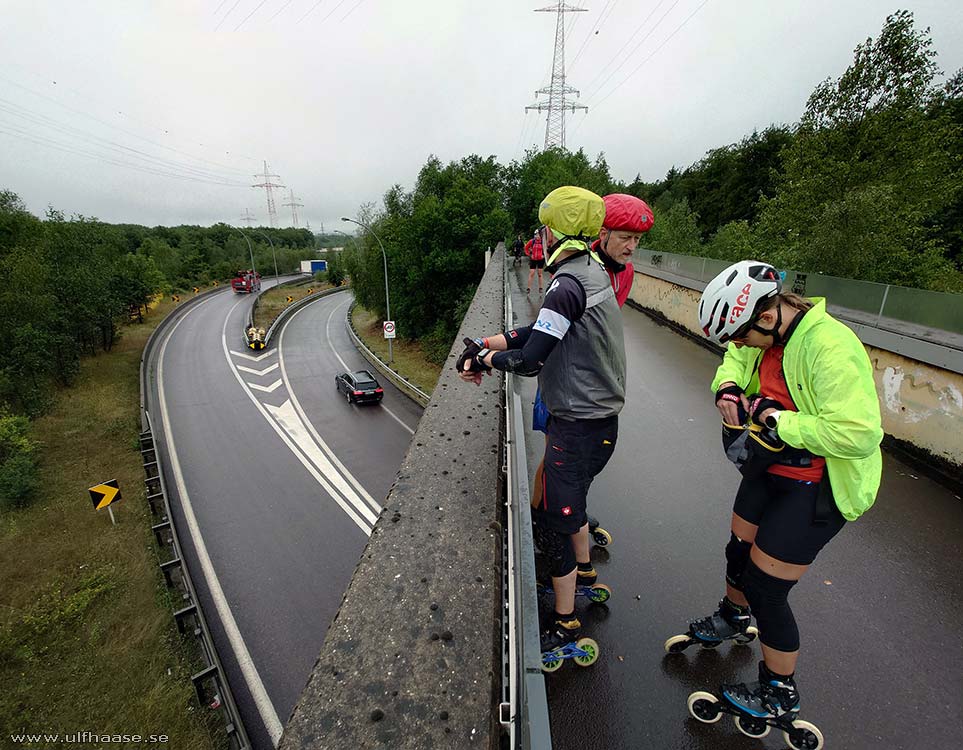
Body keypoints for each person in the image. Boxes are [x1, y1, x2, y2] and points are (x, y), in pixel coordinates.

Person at [680, 259, 883, 724]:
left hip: (817, 487)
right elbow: (737, 359)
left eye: (741, 335)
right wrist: (727, 386)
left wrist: (777, 420)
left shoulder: (829, 346)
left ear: (767, 317)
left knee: (766, 590)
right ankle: (733, 617)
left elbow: (858, 434)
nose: (737, 345)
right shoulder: (766, 332)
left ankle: (779, 691)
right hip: (769, 467)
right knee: (738, 552)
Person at [457, 186, 625, 659]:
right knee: (567, 507)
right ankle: (584, 572)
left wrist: (485, 359)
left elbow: (531, 358)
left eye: (542, 227)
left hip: (579, 424)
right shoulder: (587, 272)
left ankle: (567, 622)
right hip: (595, 420)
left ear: (551, 231)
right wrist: (484, 342)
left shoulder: (567, 282)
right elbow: (540, 330)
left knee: (554, 522)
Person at [529, 193, 655, 571]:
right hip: (564, 376)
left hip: (589, 384)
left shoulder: (625, 271)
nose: (632, 247)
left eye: (638, 239)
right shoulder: (581, 263)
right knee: (555, 457)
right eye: (625, 237)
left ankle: (571, 515)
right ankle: (542, 520)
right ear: (601, 232)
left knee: (575, 463)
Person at [525, 227, 545, 294]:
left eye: (538, 235)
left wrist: (544, 256)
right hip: (533, 259)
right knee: (531, 273)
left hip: (540, 260)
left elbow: (547, 250)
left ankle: (540, 288)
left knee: (539, 274)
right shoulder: (532, 241)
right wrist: (529, 255)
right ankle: (528, 288)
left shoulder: (543, 242)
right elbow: (526, 248)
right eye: (536, 235)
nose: (537, 236)